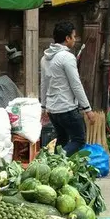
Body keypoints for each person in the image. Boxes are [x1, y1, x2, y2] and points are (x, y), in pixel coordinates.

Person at [40, 21, 95, 156]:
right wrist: (87, 109)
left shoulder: (45, 58)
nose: (75, 40)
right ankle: (56, 160)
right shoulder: (67, 57)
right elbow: (76, 85)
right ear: (67, 38)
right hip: (67, 108)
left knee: (63, 139)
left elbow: (43, 84)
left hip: (53, 110)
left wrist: (43, 107)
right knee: (79, 140)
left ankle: (54, 167)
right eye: (74, 36)